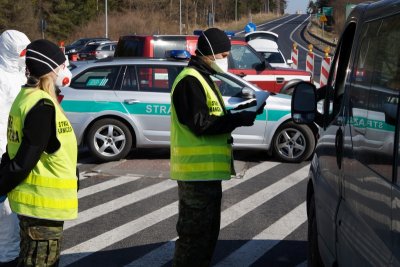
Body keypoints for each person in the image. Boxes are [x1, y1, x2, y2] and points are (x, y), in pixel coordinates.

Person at [170, 27, 264, 267]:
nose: (226, 60)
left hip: (207, 176)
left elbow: (213, 118)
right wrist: (239, 119)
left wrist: (245, 112)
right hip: (195, 177)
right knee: (193, 240)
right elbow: (202, 124)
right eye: (223, 54)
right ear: (209, 54)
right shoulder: (190, 81)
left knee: (206, 239)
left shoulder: (203, 78)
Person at [0, 39, 78, 267]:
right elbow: (25, 159)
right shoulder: (42, 106)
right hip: (43, 209)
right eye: (62, 65)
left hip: (38, 208)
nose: (65, 70)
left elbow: (13, 151)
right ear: (50, 68)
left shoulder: (26, 98)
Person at [0, 30, 30, 267]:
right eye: (22, 52)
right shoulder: (2, 78)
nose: (25, 56)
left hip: (16, 151)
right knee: (6, 215)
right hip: (4, 152)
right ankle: (8, 257)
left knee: (16, 212)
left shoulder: (22, 75)